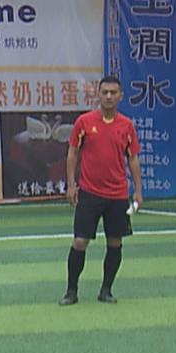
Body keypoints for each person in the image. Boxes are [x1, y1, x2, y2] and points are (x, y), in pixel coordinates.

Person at [61, 74, 143, 305]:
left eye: (113, 93)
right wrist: (71, 184)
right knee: (80, 242)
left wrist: (138, 190)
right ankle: (71, 291)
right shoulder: (84, 122)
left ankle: (106, 290)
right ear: (98, 94)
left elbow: (133, 158)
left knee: (115, 243)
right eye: (104, 92)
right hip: (89, 193)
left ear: (120, 96)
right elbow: (73, 153)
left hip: (117, 195)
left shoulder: (127, 126)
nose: (108, 96)